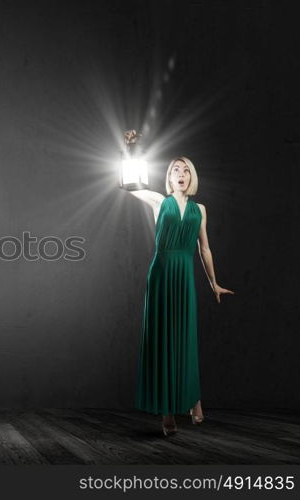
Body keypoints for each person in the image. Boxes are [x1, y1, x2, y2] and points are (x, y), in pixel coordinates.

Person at [123, 148, 234, 436]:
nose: (181, 175)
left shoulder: (201, 211)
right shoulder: (159, 201)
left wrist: (213, 282)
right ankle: (166, 412)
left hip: (184, 275)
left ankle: (193, 399)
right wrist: (131, 151)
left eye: (185, 171)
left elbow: (204, 248)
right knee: (161, 339)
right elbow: (127, 183)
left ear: (191, 177)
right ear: (169, 178)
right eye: (175, 171)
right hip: (161, 274)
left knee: (185, 337)